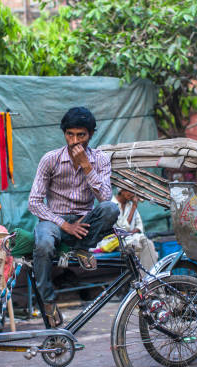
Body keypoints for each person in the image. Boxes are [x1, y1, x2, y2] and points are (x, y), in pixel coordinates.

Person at [28, 107, 119, 327]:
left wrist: (87, 167)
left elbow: (105, 198)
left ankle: (82, 247)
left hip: (84, 221)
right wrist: (64, 225)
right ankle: (48, 302)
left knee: (111, 210)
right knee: (42, 246)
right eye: (70, 134)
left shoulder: (100, 160)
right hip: (54, 221)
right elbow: (34, 202)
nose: (75, 140)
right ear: (64, 134)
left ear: (91, 134)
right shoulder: (51, 159)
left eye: (81, 135)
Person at [111, 189, 158, 273]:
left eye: (133, 191)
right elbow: (123, 228)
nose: (132, 194)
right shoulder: (112, 205)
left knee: (149, 243)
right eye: (129, 191)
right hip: (116, 240)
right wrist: (134, 207)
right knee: (140, 248)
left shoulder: (130, 204)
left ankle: (148, 280)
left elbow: (139, 225)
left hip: (133, 237)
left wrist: (131, 232)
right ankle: (146, 280)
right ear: (121, 191)